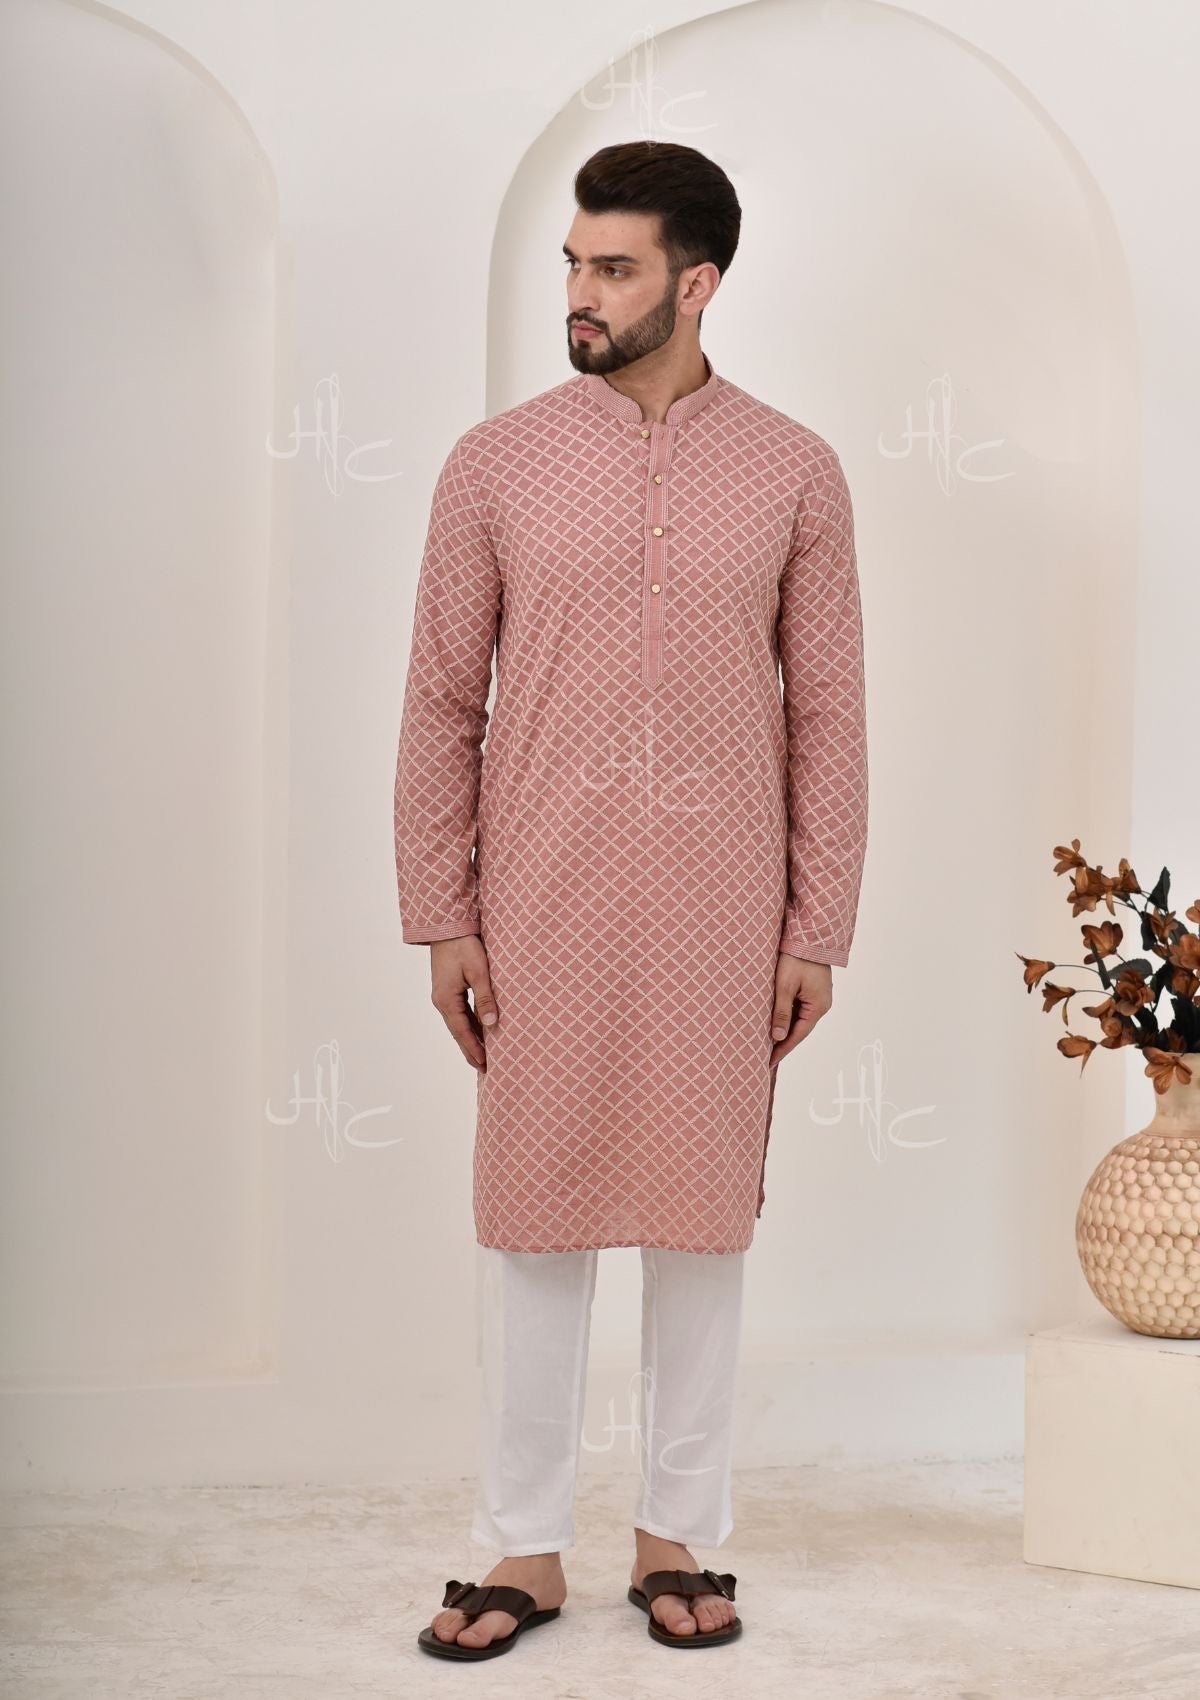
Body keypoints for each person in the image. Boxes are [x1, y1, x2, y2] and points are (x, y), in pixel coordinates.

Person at [396, 139, 868, 1660]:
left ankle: (679, 1539)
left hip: (729, 906)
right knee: (534, 1219)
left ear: (697, 281)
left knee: (701, 1227)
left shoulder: (794, 469)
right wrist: (444, 911)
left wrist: (816, 926)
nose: (581, 295)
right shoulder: (496, 462)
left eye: (613, 268)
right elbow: (439, 701)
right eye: (574, 265)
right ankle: (520, 1546)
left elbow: (828, 715)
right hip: (541, 895)